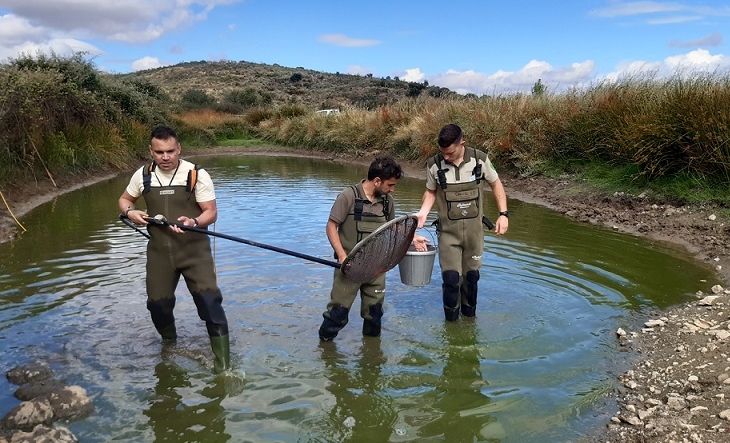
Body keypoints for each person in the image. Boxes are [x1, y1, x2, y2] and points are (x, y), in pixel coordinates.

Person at [118, 126, 230, 373]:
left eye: (170, 151)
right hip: (159, 253)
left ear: (179, 149)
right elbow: (125, 200)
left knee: (211, 305)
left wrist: (194, 222)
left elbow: (211, 212)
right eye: (159, 152)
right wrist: (130, 212)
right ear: (151, 151)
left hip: (194, 253)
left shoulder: (196, 174)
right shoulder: (143, 175)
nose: (165, 157)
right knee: (157, 306)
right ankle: (170, 345)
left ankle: (223, 368)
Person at [318, 156, 428, 341]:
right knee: (338, 315)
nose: (392, 189)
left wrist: (413, 237)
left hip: (377, 269)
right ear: (377, 181)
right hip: (349, 269)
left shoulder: (387, 201)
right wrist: (342, 256)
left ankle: (371, 356)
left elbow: (392, 227)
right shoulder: (348, 196)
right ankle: (324, 348)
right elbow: (331, 227)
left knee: (374, 315)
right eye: (390, 185)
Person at [415, 123, 509, 321]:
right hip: (448, 234)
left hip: (474, 233)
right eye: (443, 153)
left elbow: (496, 183)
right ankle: (451, 325)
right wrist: (423, 212)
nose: (446, 157)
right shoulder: (434, 164)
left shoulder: (480, 159)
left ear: (462, 144)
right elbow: (431, 191)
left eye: (450, 153)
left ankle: (469, 321)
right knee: (451, 280)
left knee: (471, 279)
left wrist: (503, 214)